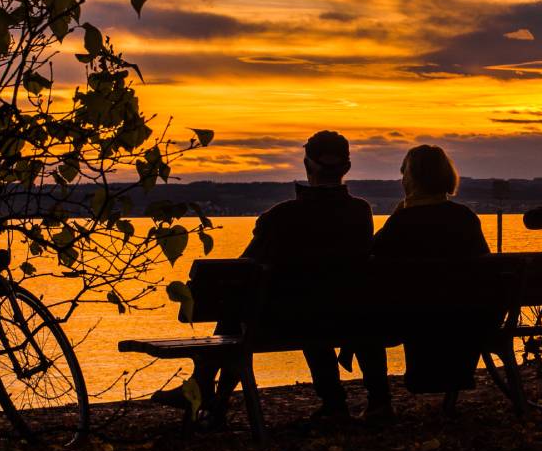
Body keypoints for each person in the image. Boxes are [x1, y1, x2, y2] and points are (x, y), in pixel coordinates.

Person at [157, 131, 389, 420]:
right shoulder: (361, 212)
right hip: (348, 317)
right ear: (347, 167)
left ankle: (207, 390)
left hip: (288, 321)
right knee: (309, 305)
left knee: (239, 303)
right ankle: (339, 401)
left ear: (308, 165)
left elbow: (242, 270)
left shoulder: (281, 216)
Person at [371, 145, 491, 396]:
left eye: (404, 173)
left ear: (412, 178)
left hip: (416, 315)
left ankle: (378, 401)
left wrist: (399, 212)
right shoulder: (465, 216)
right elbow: (485, 265)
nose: (401, 179)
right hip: (466, 315)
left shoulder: (403, 222)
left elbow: (373, 254)